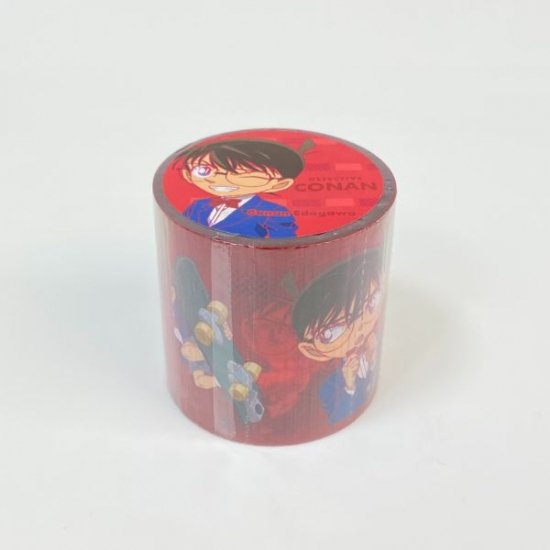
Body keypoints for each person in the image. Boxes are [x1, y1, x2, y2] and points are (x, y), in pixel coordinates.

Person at [292, 252, 384, 423]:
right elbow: (336, 417)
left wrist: (372, 360)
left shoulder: (371, 348)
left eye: (371, 303)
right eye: (331, 332)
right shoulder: (328, 387)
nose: (358, 329)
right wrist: (349, 385)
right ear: (312, 350)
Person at [175, 139, 312, 238]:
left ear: (279, 184)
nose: (219, 179)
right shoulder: (198, 206)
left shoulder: (274, 212)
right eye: (205, 170)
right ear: (187, 174)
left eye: (241, 175)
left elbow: (284, 246)